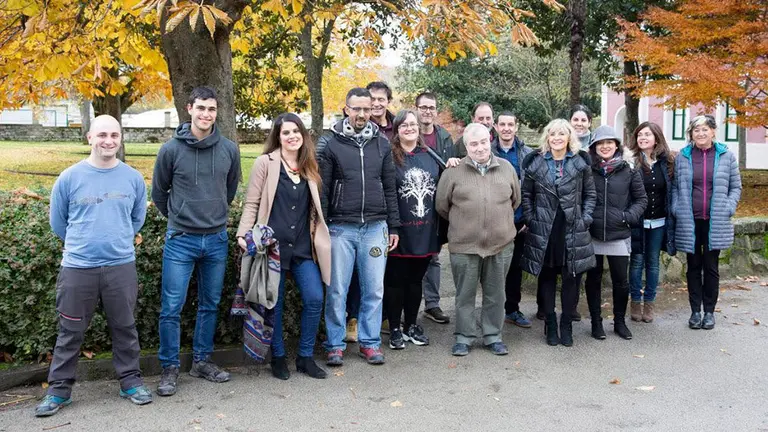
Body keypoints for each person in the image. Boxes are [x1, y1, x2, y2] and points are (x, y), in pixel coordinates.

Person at [37, 115, 151, 417]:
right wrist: (85, 243)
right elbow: (58, 223)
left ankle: (131, 382)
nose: (108, 141)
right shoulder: (69, 178)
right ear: (89, 137)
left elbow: (137, 219)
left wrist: (117, 239)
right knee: (70, 331)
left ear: (121, 138)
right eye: (102, 134)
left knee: (125, 327)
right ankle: (59, 391)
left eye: (115, 135)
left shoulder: (133, 178)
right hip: (78, 267)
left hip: (121, 266)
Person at [152, 87, 241, 396]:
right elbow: (159, 193)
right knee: (172, 306)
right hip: (181, 240)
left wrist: (213, 215)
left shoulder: (229, 148)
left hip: (216, 239)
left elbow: (230, 191)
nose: (206, 114)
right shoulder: (170, 150)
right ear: (189, 108)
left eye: (212, 109)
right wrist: (180, 218)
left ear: (217, 113)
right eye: (201, 108)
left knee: (210, 304)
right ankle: (169, 367)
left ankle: (202, 361)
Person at [236, 113, 331, 380]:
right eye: (285, 132)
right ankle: (277, 357)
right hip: (272, 248)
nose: (291, 136)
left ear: (303, 134)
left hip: (303, 247)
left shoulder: (310, 165)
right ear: (277, 137)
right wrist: (243, 234)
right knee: (273, 304)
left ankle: (305, 357)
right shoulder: (265, 163)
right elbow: (252, 203)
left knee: (314, 298)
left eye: (296, 131)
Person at [318, 87, 401, 366]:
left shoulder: (382, 144)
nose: (362, 114)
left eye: (367, 109)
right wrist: (321, 226)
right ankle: (334, 344)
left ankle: (370, 342)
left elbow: (390, 187)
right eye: (357, 109)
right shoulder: (331, 144)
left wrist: (394, 227)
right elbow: (324, 189)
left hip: (376, 228)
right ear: (346, 109)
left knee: (374, 289)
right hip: (341, 228)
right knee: (337, 289)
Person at [436, 123, 520, 357]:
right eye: (473, 144)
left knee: (496, 293)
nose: (480, 148)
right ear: (466, 146)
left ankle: (493, 336)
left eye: (483, 142)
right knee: (465, 294)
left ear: (490, 140)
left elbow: (516, 200)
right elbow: (442, 206)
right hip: (464, 246)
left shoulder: (506, 168)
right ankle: (464, 336)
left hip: (500, 245)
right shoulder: (452, 172)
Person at [521, 119, 596, 347]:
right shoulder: (536, 163)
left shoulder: (580, 162)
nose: (557, 138)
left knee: (571, 278)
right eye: (553, 134)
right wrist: (532, 219)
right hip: (545, 228)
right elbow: (527, 196)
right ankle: (550, 322)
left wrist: (585, 218)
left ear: (569, 137)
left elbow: (590, 195)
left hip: (572, 227)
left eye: (561, 134)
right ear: (547, 136)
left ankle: (566, 324)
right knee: (547, 277)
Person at [672, 115, 742, 330]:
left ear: (713, 131)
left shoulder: (726, 156)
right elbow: (675, 186)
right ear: (691, 134)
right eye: (696, 130)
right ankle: (695, 311)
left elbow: (736, 187)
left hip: (715, 221)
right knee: (693, 266)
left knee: (711, 267)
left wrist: (729, 207)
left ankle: (709, 312)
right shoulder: (683, 157)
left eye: (704, 129)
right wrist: (676, 207)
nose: (700, 134)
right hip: (690, 220)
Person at [584, 126, 648, 341]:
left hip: (619, 233)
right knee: (593, 279)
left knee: (621, 280)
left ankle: (619, 322)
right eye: (600, 143)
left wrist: (626, 217)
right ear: (594, 147)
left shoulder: (629, 169)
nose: (605, 146)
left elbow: (641, 200)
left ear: (617, 145)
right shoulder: (587, 169)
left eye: (609, 142)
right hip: (592, 232)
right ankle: (596, 322)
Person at [385, 110, 442, 349]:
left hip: (425, 230)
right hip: (399, 231)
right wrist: (392, 227)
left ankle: (411, 324)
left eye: (413, 124)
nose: (409, 128)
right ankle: (395, 328)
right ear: (396, 130)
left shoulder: (430, 155)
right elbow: (387, 194)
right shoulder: (389, 157)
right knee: (396, 280)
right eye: (404, 125)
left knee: (416, 280)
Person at [627, 122, 677, 323]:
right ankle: (635, 303)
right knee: (637, 262)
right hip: (637, 221)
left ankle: (649, 303)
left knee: (653, 263)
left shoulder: (668, 162)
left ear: (656, 137)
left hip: (659, 222)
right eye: (640, 135)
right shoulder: (631, 162)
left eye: (647, 134)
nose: (643, 138)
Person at [493, 111, 535, 329]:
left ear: (516, 127)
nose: (507, 128)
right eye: (503, 124)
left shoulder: (527, 154)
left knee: (515, 268)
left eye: (511, 124)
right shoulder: (487, 151)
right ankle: (491, 311)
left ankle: (512, 309)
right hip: (492, 222)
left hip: (518, 221)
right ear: (496, 127)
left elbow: (532, 188)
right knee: (492, 268)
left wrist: (528, 215)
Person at [415, 91, 454, 325]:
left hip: (435, 207)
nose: (427, 111)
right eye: (423, 107)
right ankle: (403, 307)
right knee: (407, 257)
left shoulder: (444, 138)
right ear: (416, 109)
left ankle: (432, 304)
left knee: (433, 256)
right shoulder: (408, 131)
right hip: (412, 201)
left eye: (431, 107)